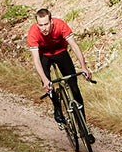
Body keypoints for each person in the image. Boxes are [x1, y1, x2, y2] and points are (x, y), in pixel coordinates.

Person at [26, 8, 93, 141]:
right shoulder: (33, 33)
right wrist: (45, 80)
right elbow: (36, 60)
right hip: (44, 56)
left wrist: (84, 68)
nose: (44, 28)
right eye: (41, 25)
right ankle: (57, 107)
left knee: (75, 89)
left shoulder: (60, 25)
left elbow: (74, 46)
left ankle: (84, 128)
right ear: (37, 24)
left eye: (46, 24)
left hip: (61, 52)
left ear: (51, 22)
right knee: (48, 85)